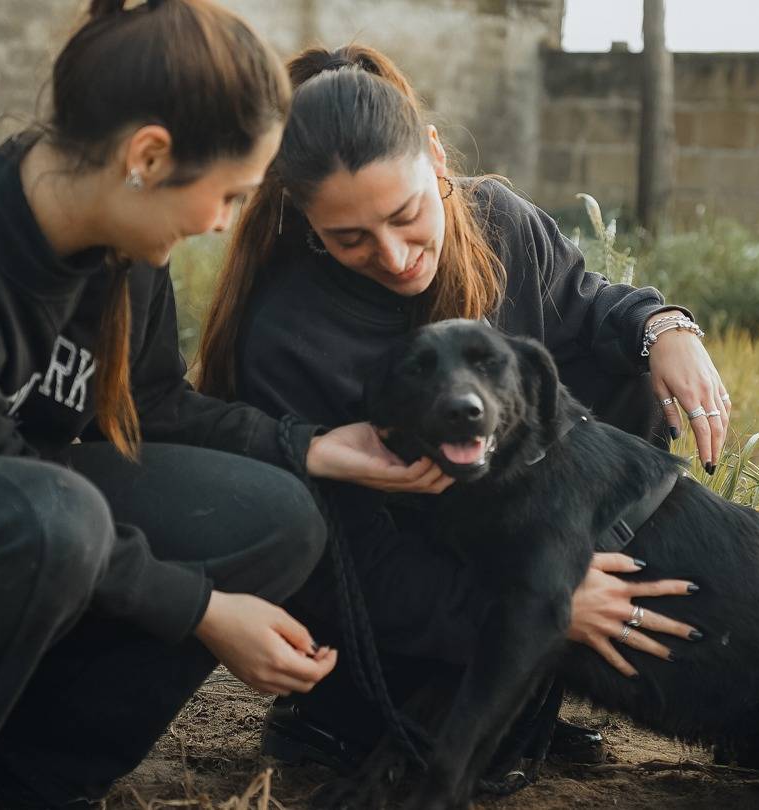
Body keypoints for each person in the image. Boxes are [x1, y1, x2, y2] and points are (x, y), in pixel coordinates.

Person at [0, 9, 447, 810]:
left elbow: (154, 406)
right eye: (231, 195)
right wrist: (200, 609)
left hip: (6, 508)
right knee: (53, 519)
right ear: (147, 156)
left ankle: (32, 780)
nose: (223, 224)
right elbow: (5, 500)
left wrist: (307, 447)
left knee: (275, 518)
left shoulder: (120, 244)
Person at [195, 45, 731, 770]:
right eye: (350, 239)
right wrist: (535, 610)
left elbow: (586, 305)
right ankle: (353, 713)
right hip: (381, 599)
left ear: (438, 159)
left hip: (493, 544)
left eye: (407, 214)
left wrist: (664, 329)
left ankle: (526, 684)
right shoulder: (286, 336)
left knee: (625, 372)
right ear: (304, 220)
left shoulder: (498, 220)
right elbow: (343, 559)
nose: (393, 255)